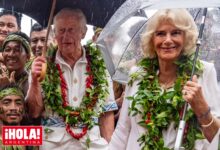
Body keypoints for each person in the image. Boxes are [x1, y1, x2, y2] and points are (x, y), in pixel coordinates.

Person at [109, 9, 220, 150]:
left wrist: (201, 108)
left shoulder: (203, 72)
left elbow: (216, 138)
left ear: (186, 37)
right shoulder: (137, 74)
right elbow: (123, 130)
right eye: (161, 34)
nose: (167, 40)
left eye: (175, 33)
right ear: (152, 39)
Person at [27, 8, 117, 149]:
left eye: (71, 30)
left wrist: (111, 145)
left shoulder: (99, 65)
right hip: (54, 146)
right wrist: (34, 81)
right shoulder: (41, 65)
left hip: (91, 145)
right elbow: (34, 112)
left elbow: (106, 112)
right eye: (61, 30)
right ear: (54, 33)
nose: (65, 36)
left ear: (83, 32)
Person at [0, 83, 36, 150]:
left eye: (18, 103)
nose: (13, 108)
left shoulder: (31, 138)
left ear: (24, 108)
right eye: (6, 103)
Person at [0, 32, 31, 96]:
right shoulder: (2, 76)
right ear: (2, 54)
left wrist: (8, 88)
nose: (11, 54)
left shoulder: (31, 82)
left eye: (17, 50)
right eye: (7, 50)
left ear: (28, 57)